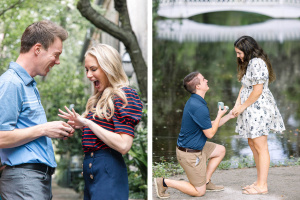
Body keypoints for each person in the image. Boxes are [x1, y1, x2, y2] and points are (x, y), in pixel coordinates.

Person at [58, 44, 143, 200]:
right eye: (86, 70)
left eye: (93, 69)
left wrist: (89, 123)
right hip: (93, 174)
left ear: (108, 67)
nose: (89, 75)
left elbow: (124, 145)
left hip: (108, 173)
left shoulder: (124, 95)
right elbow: (99, 136)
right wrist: (77, 125)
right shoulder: (98, 100)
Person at [0, 20, 74, 200]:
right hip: (24, 180)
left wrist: (53, 131)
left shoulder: (28, 85)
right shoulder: (11, 83)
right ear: (38, 49)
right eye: (56, 55)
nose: (57, 62)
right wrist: (44, 129)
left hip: (33, 180)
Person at [154, 72, 235, 198]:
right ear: (198, 86)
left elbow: (209, 125)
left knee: (220, 150)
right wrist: (219, 115)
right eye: (203, 79)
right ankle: (164, 182)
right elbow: (210, 133)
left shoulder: (197, 102)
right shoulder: (198, 106)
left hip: (197, 147)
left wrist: (229, 116)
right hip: (190, 154)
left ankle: (206, 182)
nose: (206, 80)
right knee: (199, 192)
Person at [232, 36, 285, 195]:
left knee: (261, 146)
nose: (238, 56)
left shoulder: (257, 63)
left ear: (247, 50)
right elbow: (245, 86)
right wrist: (237, 105)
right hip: (250, 108)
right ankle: (259, 180)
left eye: (239, 52)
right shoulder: (249, 63)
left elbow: (257, 90)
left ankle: (263, 185)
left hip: (258, 108)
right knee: (252, 143)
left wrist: (242, 107)